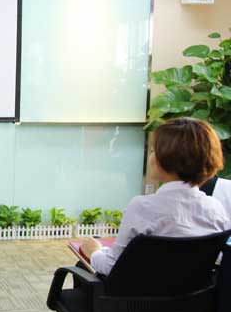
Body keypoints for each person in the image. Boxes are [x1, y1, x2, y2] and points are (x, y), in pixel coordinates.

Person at [80, 117, 231, 276]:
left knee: (84, 264)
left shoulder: (142, 207)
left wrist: (94, 251)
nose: (151, 156)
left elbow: (111, 267)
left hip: (138, 291)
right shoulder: (215, 210)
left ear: (165, 158)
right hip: (193, 292)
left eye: (153, 151)